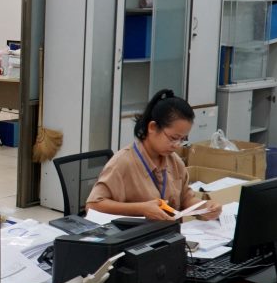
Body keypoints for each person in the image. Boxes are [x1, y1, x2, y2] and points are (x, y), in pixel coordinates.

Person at [87, 89, 222, 221]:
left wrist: (205, 207)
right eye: (173, 138)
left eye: (182, 139)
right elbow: (93, 205)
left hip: (169, 234)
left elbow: (186, 198)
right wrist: (141, 209)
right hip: (136, 237)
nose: (177, 145)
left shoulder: (174, 161)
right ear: (152, 127)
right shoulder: (123, 163)